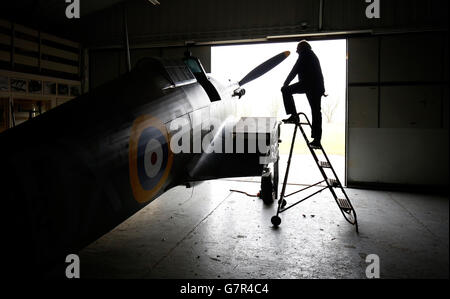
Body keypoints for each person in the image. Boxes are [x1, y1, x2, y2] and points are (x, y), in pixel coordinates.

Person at [281, 40, 325, 148]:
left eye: (297, 49)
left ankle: (294, 116)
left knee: (285, 90)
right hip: (315, 86)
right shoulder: (311, 55)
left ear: (301, 48)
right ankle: (317, 139)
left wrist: (285, 84)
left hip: (309, 84)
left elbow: (294, 70)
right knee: (316, 112)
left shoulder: (305, 54)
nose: (296, 51)